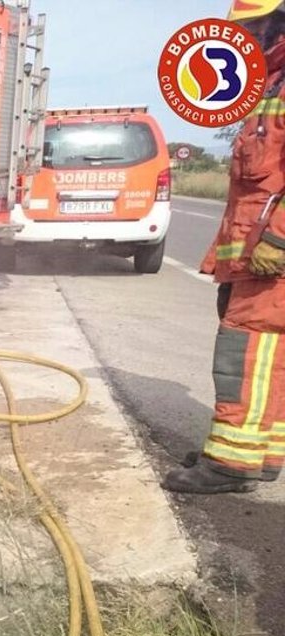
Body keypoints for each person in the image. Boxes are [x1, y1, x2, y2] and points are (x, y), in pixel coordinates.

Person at [165, 1, 285, 494]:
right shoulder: (270, 82)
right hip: (252, 250)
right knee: (270, 354)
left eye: (253, 26)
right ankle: (260, 453)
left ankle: (230, 466)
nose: (245, 37)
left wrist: (278, 239)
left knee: (247, 350)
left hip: (270, 253)